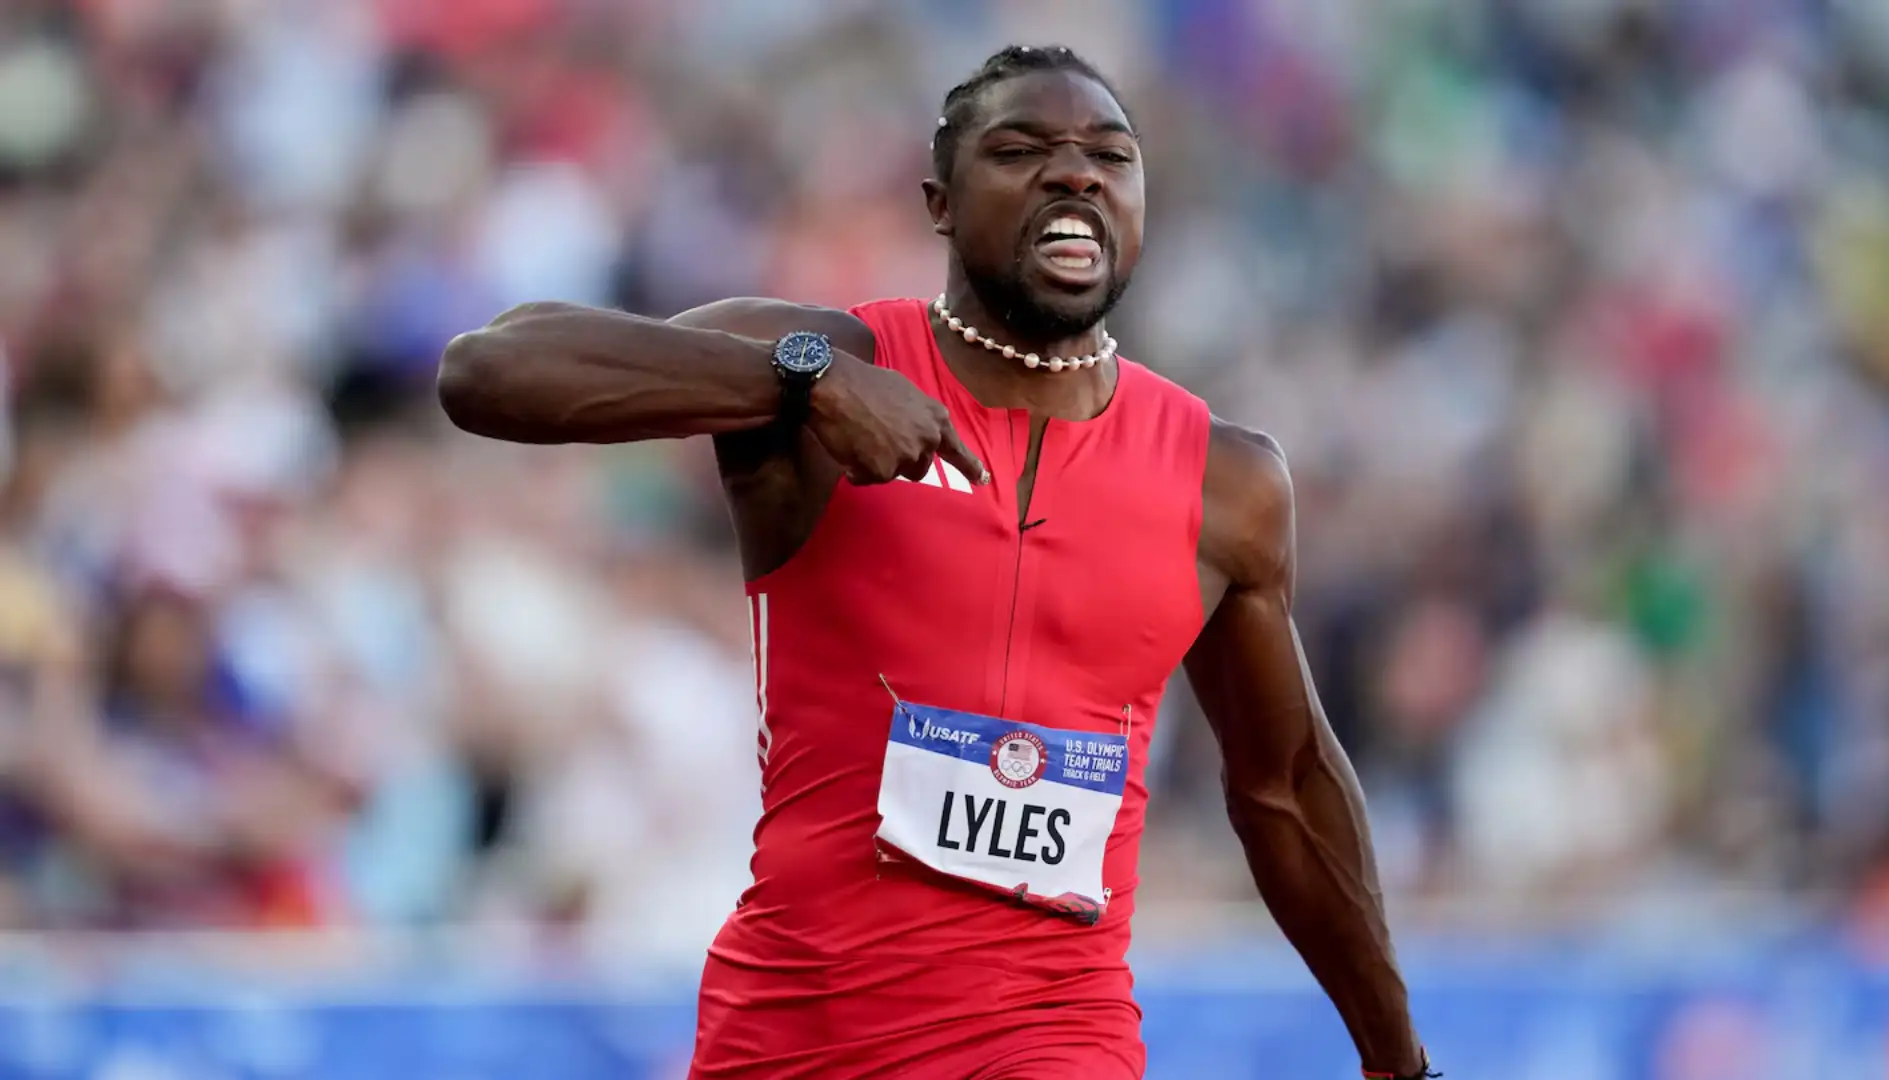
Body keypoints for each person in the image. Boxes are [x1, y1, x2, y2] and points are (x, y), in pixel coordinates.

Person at [438, 43, 1435, 1080]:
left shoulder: (1225, 485)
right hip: (791, 1039)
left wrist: (1398, 1062)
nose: (1076, 174)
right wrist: (806, 378)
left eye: (1111, 155)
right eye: (1022, 150)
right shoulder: (828, 362)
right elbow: (489, 371)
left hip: (1060, 1041)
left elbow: (1285, 790)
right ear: (940, 204)